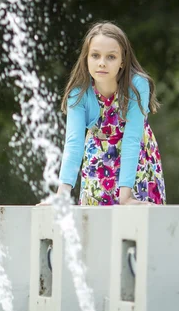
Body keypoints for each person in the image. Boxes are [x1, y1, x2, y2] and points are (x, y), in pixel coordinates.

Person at [57, 21, 166, 206]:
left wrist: (126, 196)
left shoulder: (137, 86)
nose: (102, 63)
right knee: (94, 225)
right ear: (86, 58)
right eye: (95, 55)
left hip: (137, 159)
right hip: (98, 161)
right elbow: (73, 143)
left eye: (111, 57)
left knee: (139, 224)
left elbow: (132, 138)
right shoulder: (79, 93)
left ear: (122, 60)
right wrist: (61, 196)